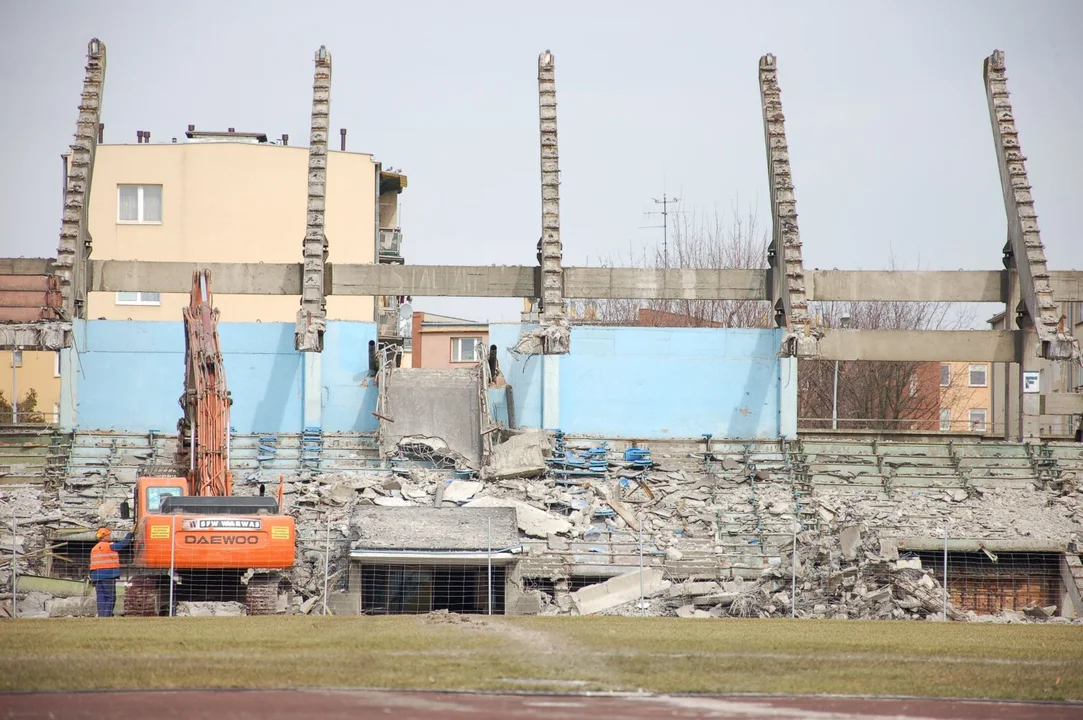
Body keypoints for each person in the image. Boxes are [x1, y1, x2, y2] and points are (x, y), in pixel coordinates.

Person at [90, 527, 134, 617]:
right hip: (108, 575)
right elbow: (124, 543)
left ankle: (102, 617)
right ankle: (107, 616)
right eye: (108, 535)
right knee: (110, 597)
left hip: (96, 576)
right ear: (104, 536)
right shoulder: (110, 546)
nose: (110, 537)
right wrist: (131, 533)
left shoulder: (94, 549)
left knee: (101, 598)